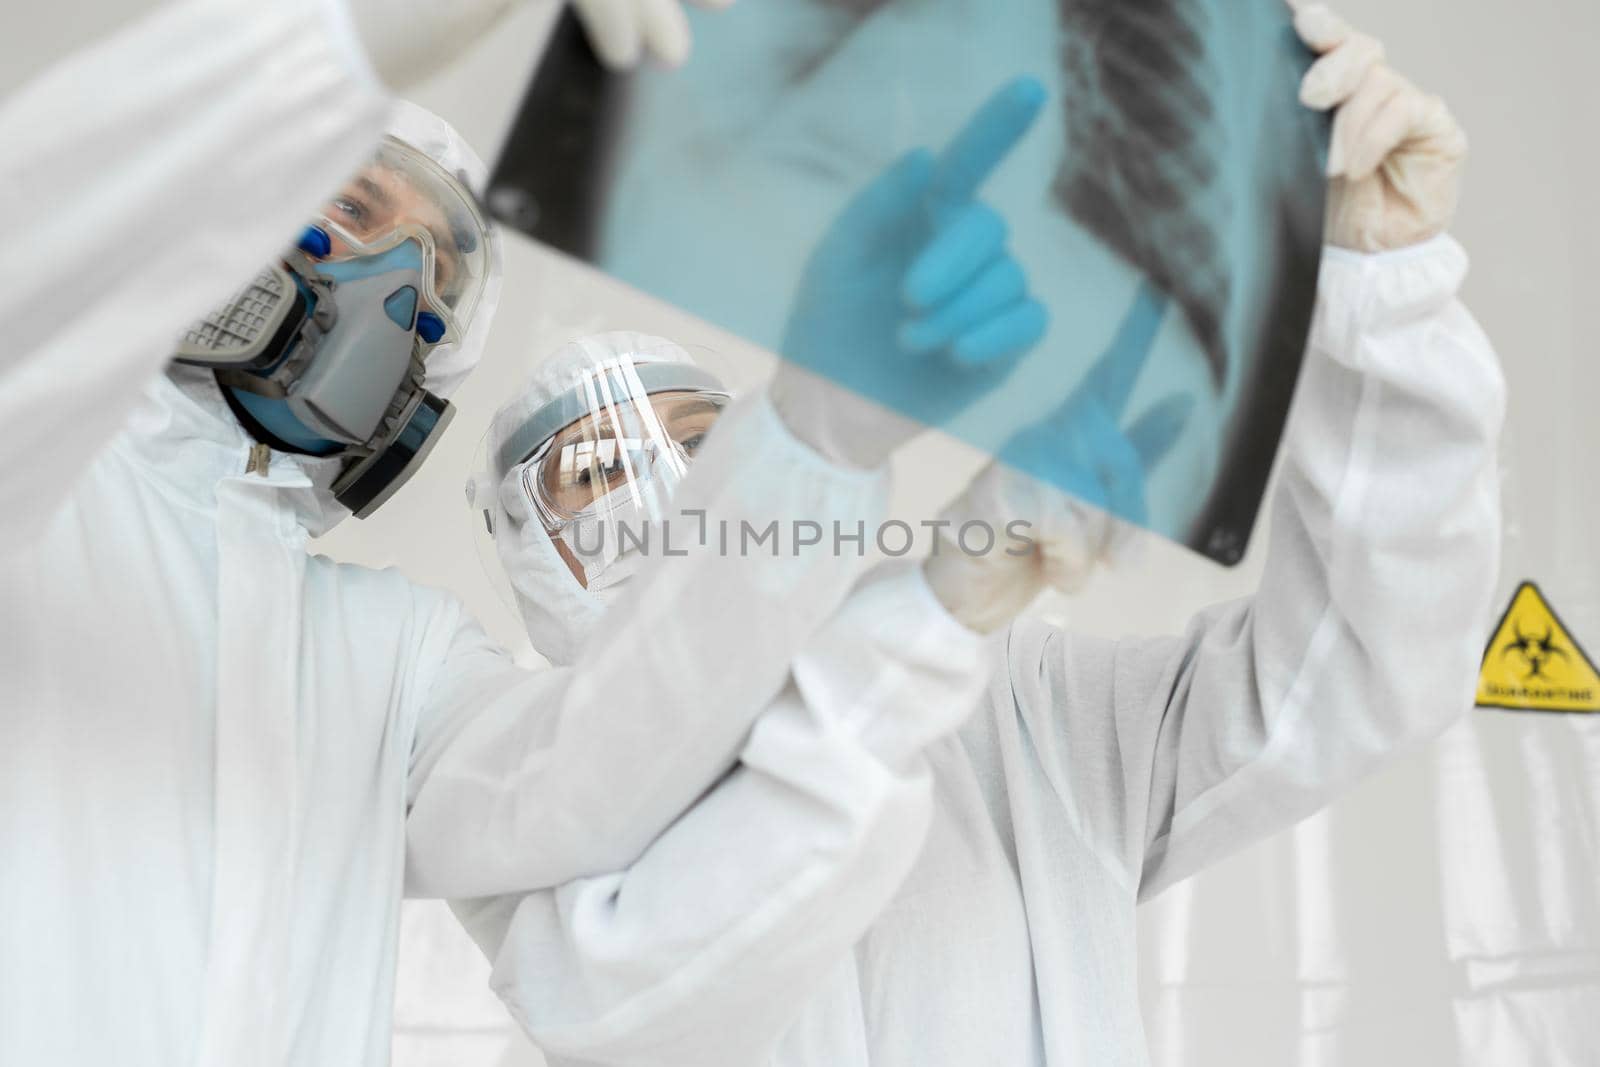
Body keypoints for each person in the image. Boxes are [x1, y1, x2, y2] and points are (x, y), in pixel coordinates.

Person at [457, 8, 1505, 1065]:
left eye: (700, 443)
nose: (659, 493)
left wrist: (1387, 287)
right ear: (521, 542)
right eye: (590, 474)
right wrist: (925, 617)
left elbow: (1357, 668)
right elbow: (620, 1008)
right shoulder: (515, 797)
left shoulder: (1021, 714)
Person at [0, 2, 1023, 1065]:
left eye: (434, 273)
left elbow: (584, 774)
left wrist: (816, 445)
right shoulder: (41, 480)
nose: (396, 281)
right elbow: (33, 264)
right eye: (353, 206)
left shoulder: (389, 649)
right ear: (225, 212)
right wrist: (330, 45)